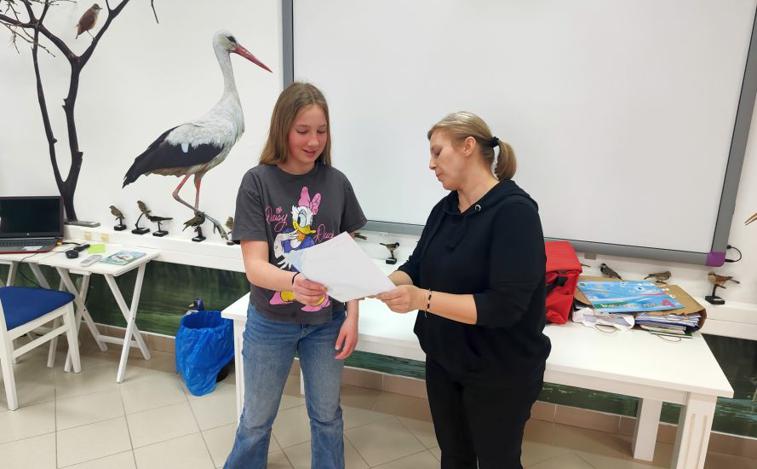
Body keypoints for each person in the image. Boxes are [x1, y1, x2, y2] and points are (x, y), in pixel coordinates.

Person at [376, 111, 550, 469]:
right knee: (454, 458)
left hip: (499, 371)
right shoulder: (444, 209)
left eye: (437, 152)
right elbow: (416, 267)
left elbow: (503, 307)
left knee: (498, 462)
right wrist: (380, 283)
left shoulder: (515, 213)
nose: (431, 164)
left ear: (468, 146)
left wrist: (422, 299)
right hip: (444, 362)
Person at [225, 82, 367, 469]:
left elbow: (349, 260)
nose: (314, 141)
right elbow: (255, 266)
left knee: (327, 417)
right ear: (283, 128)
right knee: (256, 420)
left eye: (321, 131)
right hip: (271, 322)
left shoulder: (337, 183)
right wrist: (294, 284)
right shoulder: (257, 182)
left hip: (327, 323)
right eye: (303, 131)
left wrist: (352, 316)